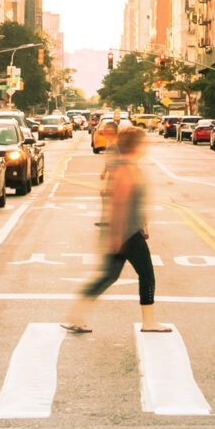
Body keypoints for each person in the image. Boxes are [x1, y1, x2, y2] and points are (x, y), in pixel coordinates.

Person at [64, 127, 169, 335]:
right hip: (127, 233)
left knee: (108, 276)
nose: (146, 146)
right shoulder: (126, 170)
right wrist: (117, 237)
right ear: (136, 146)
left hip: (127, 231)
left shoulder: (129, 166)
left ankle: (76, 316)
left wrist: (142, 222)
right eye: (143, 143)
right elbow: (119, 204)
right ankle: (148, 323)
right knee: (147, 275)